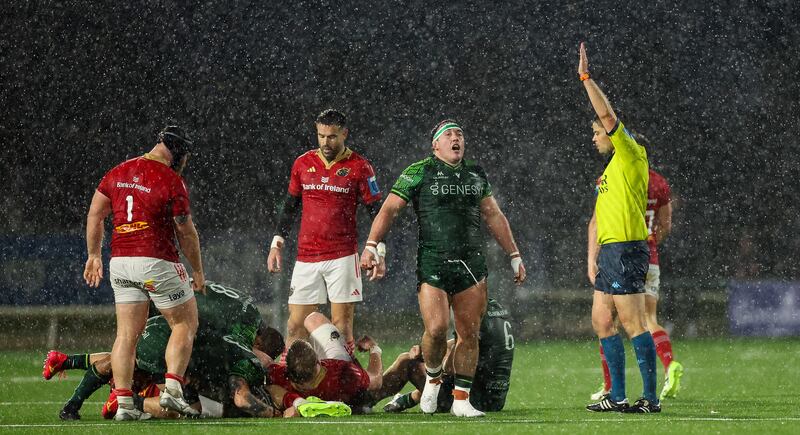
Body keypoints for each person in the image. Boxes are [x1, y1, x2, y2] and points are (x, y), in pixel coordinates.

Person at [359, 119, 526, 417]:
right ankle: (433, 380)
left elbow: (493, 214)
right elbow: (389, 209)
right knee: (436, 330)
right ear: (435, 144)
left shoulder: (475, 173)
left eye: (459, 134)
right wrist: (372, 244)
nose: (455, 138)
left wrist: (513, 253)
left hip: (471, 265)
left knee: (469, 334)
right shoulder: (419, 171)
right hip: (434, 261)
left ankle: (462, 400)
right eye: (448, 135)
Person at [83, 125, 205, 420]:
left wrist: (93, 254)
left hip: (121, 262)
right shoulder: (171, 179)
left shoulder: (118, 171)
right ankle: (173, 391)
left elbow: (96, 214)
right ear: (178, 152)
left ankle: (124, 404)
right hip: (155, 260)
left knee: (126, 335)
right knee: (185, 323)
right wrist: (198, 270)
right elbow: (185, 231)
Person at [44, 280, 282, 420]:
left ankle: (67, 365)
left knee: (127, 349)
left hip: (169, 294)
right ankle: (124, 400)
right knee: (180, 405)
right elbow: (237, 361)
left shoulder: (247, 307)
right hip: (178, 314)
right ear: (259, 344)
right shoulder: (246, 332)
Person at [578, 42, 660, 414]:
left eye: (597, 133)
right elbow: (596, 220)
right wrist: (593, 256)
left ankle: (651, 399)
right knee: (601, 321)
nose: (594, 137)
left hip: (628, 248)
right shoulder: (608, 172)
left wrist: (586, 79)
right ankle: (618, 396)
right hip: (610, 252)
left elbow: (607, 116)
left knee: (632, 322)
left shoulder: (631, 154)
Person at [267, 109, 384, 356]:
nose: (325, 142)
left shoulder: (360, 167)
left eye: (332, 137)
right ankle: (296, 385)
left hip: (342, 256)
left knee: (341, 328)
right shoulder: (302, 163)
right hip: (306, 257)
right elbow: (290, 206)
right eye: (321, 136)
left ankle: (343, 387)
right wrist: (276, 243)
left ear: (344, 134)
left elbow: (378, 212)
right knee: (295, 325)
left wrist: (378, 250)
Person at [590, 168, 683, 401]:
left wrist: (592, 257)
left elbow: (598, 220)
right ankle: (669, 364)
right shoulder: (659, 182)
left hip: (620, 254)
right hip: (648, 256)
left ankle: (612, 387)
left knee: (609, 321)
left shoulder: (614, 177)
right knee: (648, 319)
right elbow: (666, 223)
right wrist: (650, 242)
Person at [373, 298, 514, 413]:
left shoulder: (469, 312)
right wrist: (428, 351)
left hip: (475, 400)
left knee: (407, 362)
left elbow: (449, 369)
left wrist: (428, 358)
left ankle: (368, 399)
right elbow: (476, 346)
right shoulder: (493, 307)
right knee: (438, 366)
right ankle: (407, 399)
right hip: (495, 399)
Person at [266, 312, 383, 417]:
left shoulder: (278, 375)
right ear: (318, 360)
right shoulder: (343, 373)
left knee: (311, 319)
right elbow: (376, 380)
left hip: (336, 376)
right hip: (337, 378)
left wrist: (293, 403)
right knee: (313, 318)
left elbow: (268, 388)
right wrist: (374, 348)